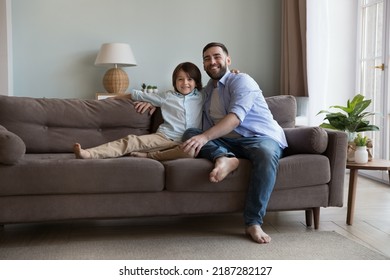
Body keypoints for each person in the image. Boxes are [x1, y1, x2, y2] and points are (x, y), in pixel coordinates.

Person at [181, 42, 288, 244]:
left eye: (216, 56)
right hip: (229, 143)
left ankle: (253, 223)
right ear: (203, 65)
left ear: (228, 60)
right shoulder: (206, 93)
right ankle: (225, 158)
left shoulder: (242, 81)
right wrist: (149, 102)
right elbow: (181, 100)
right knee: (190, 134)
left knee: (265, 154)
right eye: (206, 58)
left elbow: (235, 118)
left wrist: (205, 138)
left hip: (259, 138)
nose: (212, 61)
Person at [73, 62, 203, 161]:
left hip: (188, 142)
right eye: (180, 79)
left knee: (190, 152)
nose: (185, 82)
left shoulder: (203, 97)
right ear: (175, 81)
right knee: (131, 141)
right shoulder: (167, 96)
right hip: (164, 137)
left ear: (196, 82)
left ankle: (149, 156)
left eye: (189, 79)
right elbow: (136, 95)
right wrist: (111, 99)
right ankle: (90, 154)